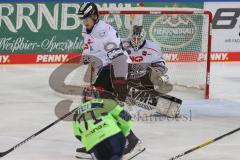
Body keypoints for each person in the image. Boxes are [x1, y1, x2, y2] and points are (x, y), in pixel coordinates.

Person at [73, 87, 144, 160]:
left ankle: (133, 142)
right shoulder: (106, 102)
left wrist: (89, 145)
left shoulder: (76, 113)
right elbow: (127, 119)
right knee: (117, 119)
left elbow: (78, 135)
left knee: (111, 120)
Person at [77, 2, 130, 101]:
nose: (85, 22)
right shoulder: (87, 29)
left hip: (116, 66)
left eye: (87, 19)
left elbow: (117, 56)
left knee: (92, 96)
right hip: (107, 68)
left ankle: (121, 100)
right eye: (83, 20)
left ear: (95, 16)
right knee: (91, 95)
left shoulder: (102, 31)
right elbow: (88, 48)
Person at [121, 25, 172, 93]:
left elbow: (160, 64)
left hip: (144, 75)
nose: (136, 41)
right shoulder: (120, 44)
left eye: (138, 38)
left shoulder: (153, 47)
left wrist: (156, 72)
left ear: (143, 37)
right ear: (130, 36)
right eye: (134, 38)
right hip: (127, 75)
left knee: (161, 77)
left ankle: (153, 90)